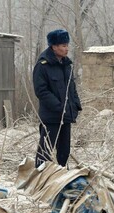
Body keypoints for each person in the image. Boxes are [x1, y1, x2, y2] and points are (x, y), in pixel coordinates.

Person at [33, 29, 82, 167]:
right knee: (45, 151)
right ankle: (40, 179)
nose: (66, 49)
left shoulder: (67, 65)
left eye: (67, 45)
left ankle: (61, 180)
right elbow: (41, 91)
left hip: (66, 116)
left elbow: (72, 88)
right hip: (51, 117)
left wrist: (76, 106)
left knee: (64, 152)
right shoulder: (43, 65)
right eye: (63, 46)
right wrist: (59, 107)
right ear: (54, 46)